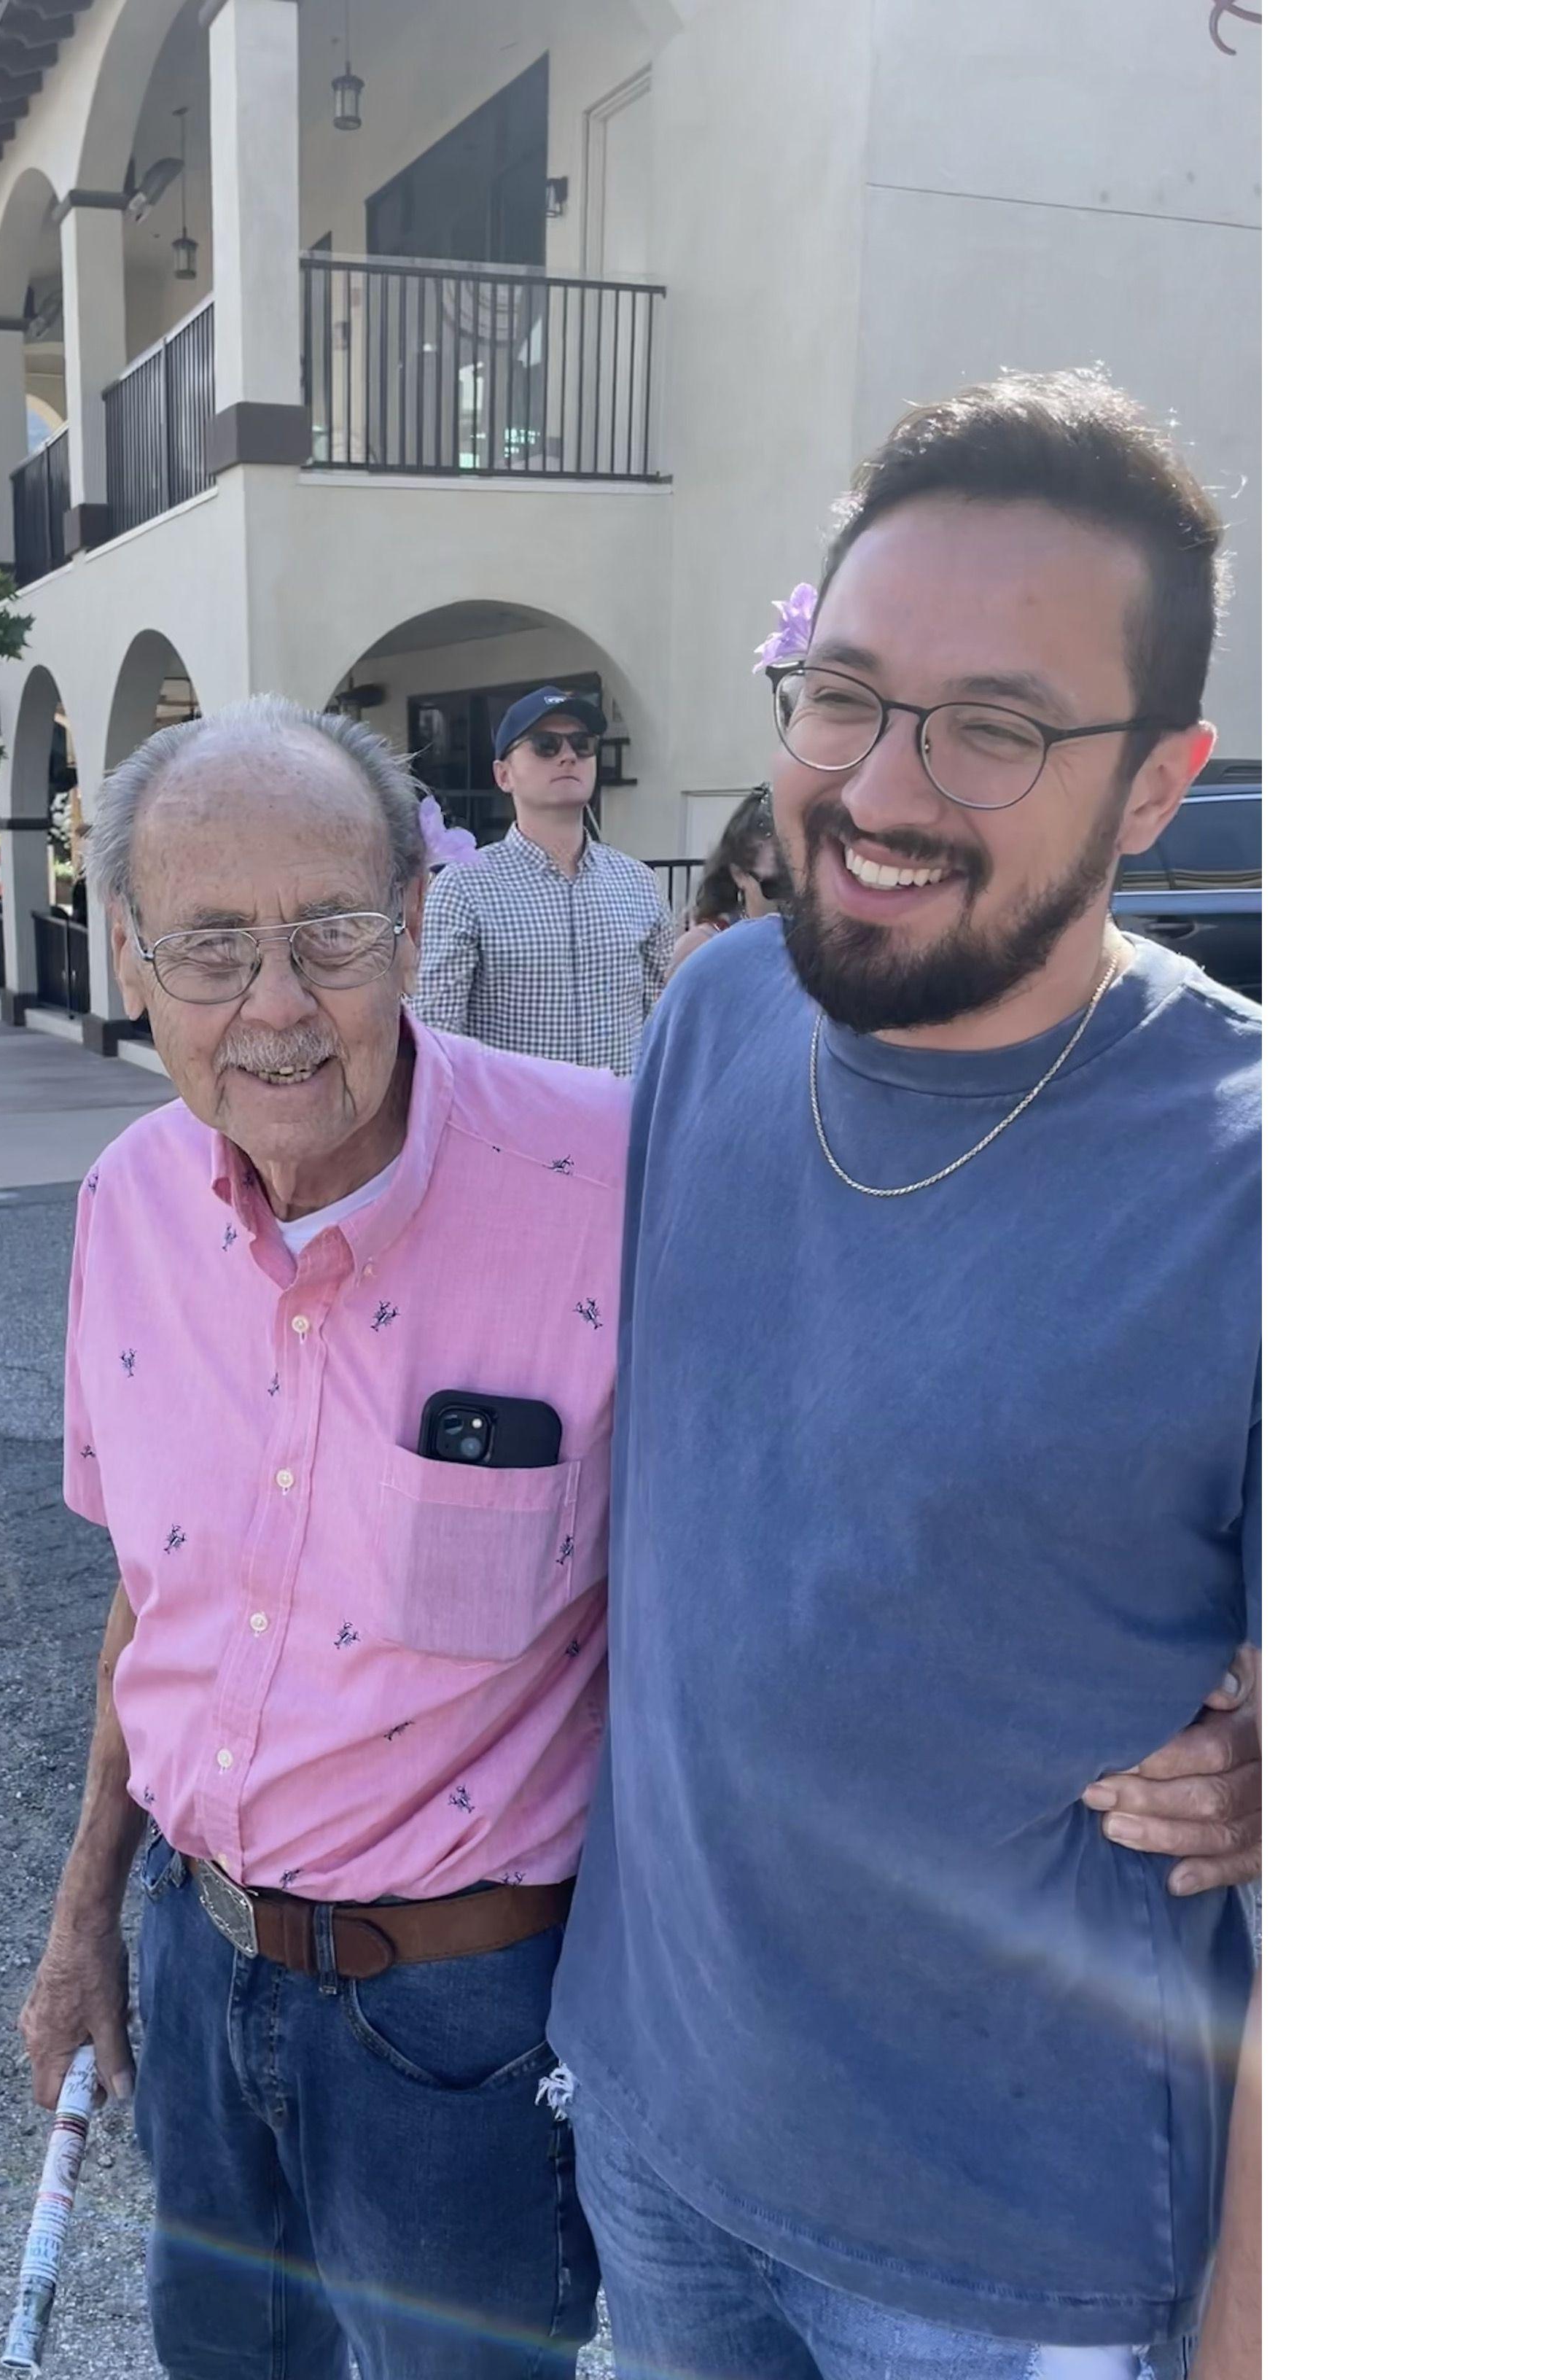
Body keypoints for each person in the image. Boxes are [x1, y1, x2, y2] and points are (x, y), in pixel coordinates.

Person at [20, 693, 1260, 2380]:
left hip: (457, 2017)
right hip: (196, 1948)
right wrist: (83, 1917)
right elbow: (150, 1600)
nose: (279, 1005)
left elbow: (901, 1441)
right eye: (212, 946)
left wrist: (1232, 1693)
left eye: (330, 931)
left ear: (416, 922)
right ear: (129, 959)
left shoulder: (618, 1164)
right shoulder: (127, 1205)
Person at [547, 370, 1263, 2380]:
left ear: (1154, 782)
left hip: (1006, 2265)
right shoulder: (712, 1017)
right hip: (656, 2123)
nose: (880, 785)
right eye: (843, 693)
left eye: (997, 727)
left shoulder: (1271, 1177)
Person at [413, 686, 674, 1073]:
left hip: (622, 1122)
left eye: (582, 744)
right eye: (545, 745)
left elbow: (662, 1019)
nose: (569, 756)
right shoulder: (465, 887)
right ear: (504, 775)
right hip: (514, 1127)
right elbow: (438, 1037)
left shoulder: (637, 883)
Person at [665, 785, 781, 979]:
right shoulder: (701, 949)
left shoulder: (814, 944)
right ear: (739, 874)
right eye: (778, 884)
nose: (796, 896)